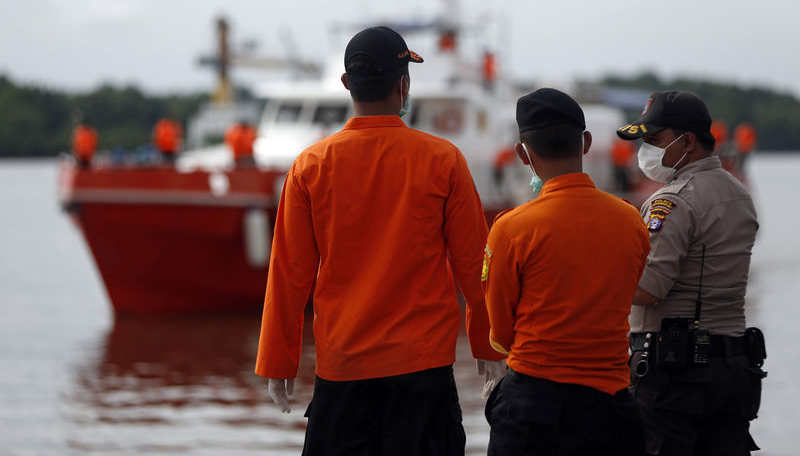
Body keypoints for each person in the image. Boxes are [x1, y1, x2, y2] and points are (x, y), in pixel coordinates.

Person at [255, 26, 504, 455]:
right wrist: (488, 343)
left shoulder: (310, 167)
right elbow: (475, 264)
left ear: (346, 84)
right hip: (423, 373)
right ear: (404, 84)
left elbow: (289, 273)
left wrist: (279, 361)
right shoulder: (443, 160)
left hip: (343, 373)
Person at [482, 88, 651, 456]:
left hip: (532, 410)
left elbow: (501, 330)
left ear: (522, 155)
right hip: (612, 410)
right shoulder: (631, 220)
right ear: (586, 142)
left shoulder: (511, 228)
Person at [617, 90, 764, 456]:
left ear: (687, 141)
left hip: (675, 377)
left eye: (654, 140)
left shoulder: (672, 200)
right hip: (733, 368)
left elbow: (649, 288)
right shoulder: (739, 194)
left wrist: (598, 269)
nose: (645, 151)